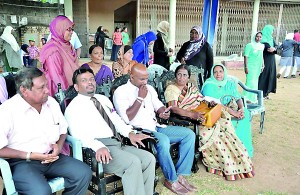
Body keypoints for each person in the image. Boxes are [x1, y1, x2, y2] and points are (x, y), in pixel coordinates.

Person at [64, 67, 156, 195]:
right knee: (133, 162)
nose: (90, 82)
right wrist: (98, 147)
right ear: (76, 87)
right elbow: (78, 135)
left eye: (91, 79)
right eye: (84, 80)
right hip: (100, 150)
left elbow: (116, 120)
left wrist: (130, 133)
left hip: (118, 142)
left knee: (148, 158)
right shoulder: (73, 108)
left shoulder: (103, 99)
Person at [0, 67, 92, 195]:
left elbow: (63, 130)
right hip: (23, 163)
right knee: (41, 192)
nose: (47, 90)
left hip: (52, 158)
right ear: (24, 90)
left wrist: (59, 147)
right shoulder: (7, 111)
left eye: (47, 85)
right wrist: (30, 155)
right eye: (41, 88)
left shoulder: (51, 103)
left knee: (83, 173)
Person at [113, 63, 197, 194]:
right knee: (162, 140)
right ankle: (171, 179)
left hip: (156, 127)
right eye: (142, 79)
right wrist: (140, 98)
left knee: (189, 134)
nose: (145, 81)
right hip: (138, 130)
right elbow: (126, 118)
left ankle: (180, 174)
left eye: (147, 78)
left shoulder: (149, 88)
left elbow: (158, 105)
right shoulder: (121, 92)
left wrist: (163, 112)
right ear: (132, 77)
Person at [165, 64, 254, 180]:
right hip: (189, 118)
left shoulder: (191, 87)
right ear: (175, 75)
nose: (181, 78)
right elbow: (173, 108)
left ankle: (236, 161)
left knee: (224, 129)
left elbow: (201, 99)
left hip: (202, 113)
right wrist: (193, 114)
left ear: (188, 77)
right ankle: (223, 164)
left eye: (185, 75)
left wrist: (209, 103)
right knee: (215, 134)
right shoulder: (171, 89)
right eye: (179, 74)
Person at [202, 64, 254, 158]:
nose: (218, 74)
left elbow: (238, 97)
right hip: (217, 112)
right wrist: (234, 113)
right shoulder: (208, 85)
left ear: (224, 72)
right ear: (212, 74)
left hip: (232, 109)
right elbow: (215, 104)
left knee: (245, 112)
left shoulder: (229, 83)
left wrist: (241, 108)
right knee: (230, 117)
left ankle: (243, 148)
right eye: (215, 72)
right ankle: (233, 150)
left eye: (221, 71)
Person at [40, 15, 79, 96]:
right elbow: (57, 76)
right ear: (59, 29)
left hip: (74, 88)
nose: (71, 32)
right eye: (68, 29)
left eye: (72, 29)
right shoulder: (52, 49)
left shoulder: (68, 46)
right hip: (59, 91)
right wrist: (67, 96)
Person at [242, 32, 265, 103]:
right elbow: (246, 56)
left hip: (257, 66)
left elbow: (262, 56)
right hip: (250, 66)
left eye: (260, 37)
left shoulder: (262, 46)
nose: (258, 38)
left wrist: (263, 65)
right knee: (250, 82)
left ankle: (253, 98)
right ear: (254, 37)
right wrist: (246, 67)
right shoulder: (250, 45)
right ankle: (246, 97)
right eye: (257, 36)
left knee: (255, 82)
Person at [258, 24, 278, 99]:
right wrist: (272, 50)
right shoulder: (262, 40)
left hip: (271, 61)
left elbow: (276, 49)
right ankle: (260, 93)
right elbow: (267, 50)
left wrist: (274, 49)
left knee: (270, 75)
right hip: (264, 60)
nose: (272, 32)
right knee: (264, 75)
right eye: (272, 30)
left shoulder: (271, 39)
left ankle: (267, 92)